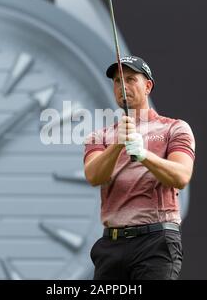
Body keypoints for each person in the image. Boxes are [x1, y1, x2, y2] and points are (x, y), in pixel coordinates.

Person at [83, 56, 196, 280]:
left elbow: (181, 176)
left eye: (131, 79)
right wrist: (118, 145)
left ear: (147, 86)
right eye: (117, 81)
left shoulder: (174, 128)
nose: (122, 87)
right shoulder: (100, 136)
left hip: (156, 241)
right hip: (112, 245)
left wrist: (144, 155)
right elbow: (94, 176)